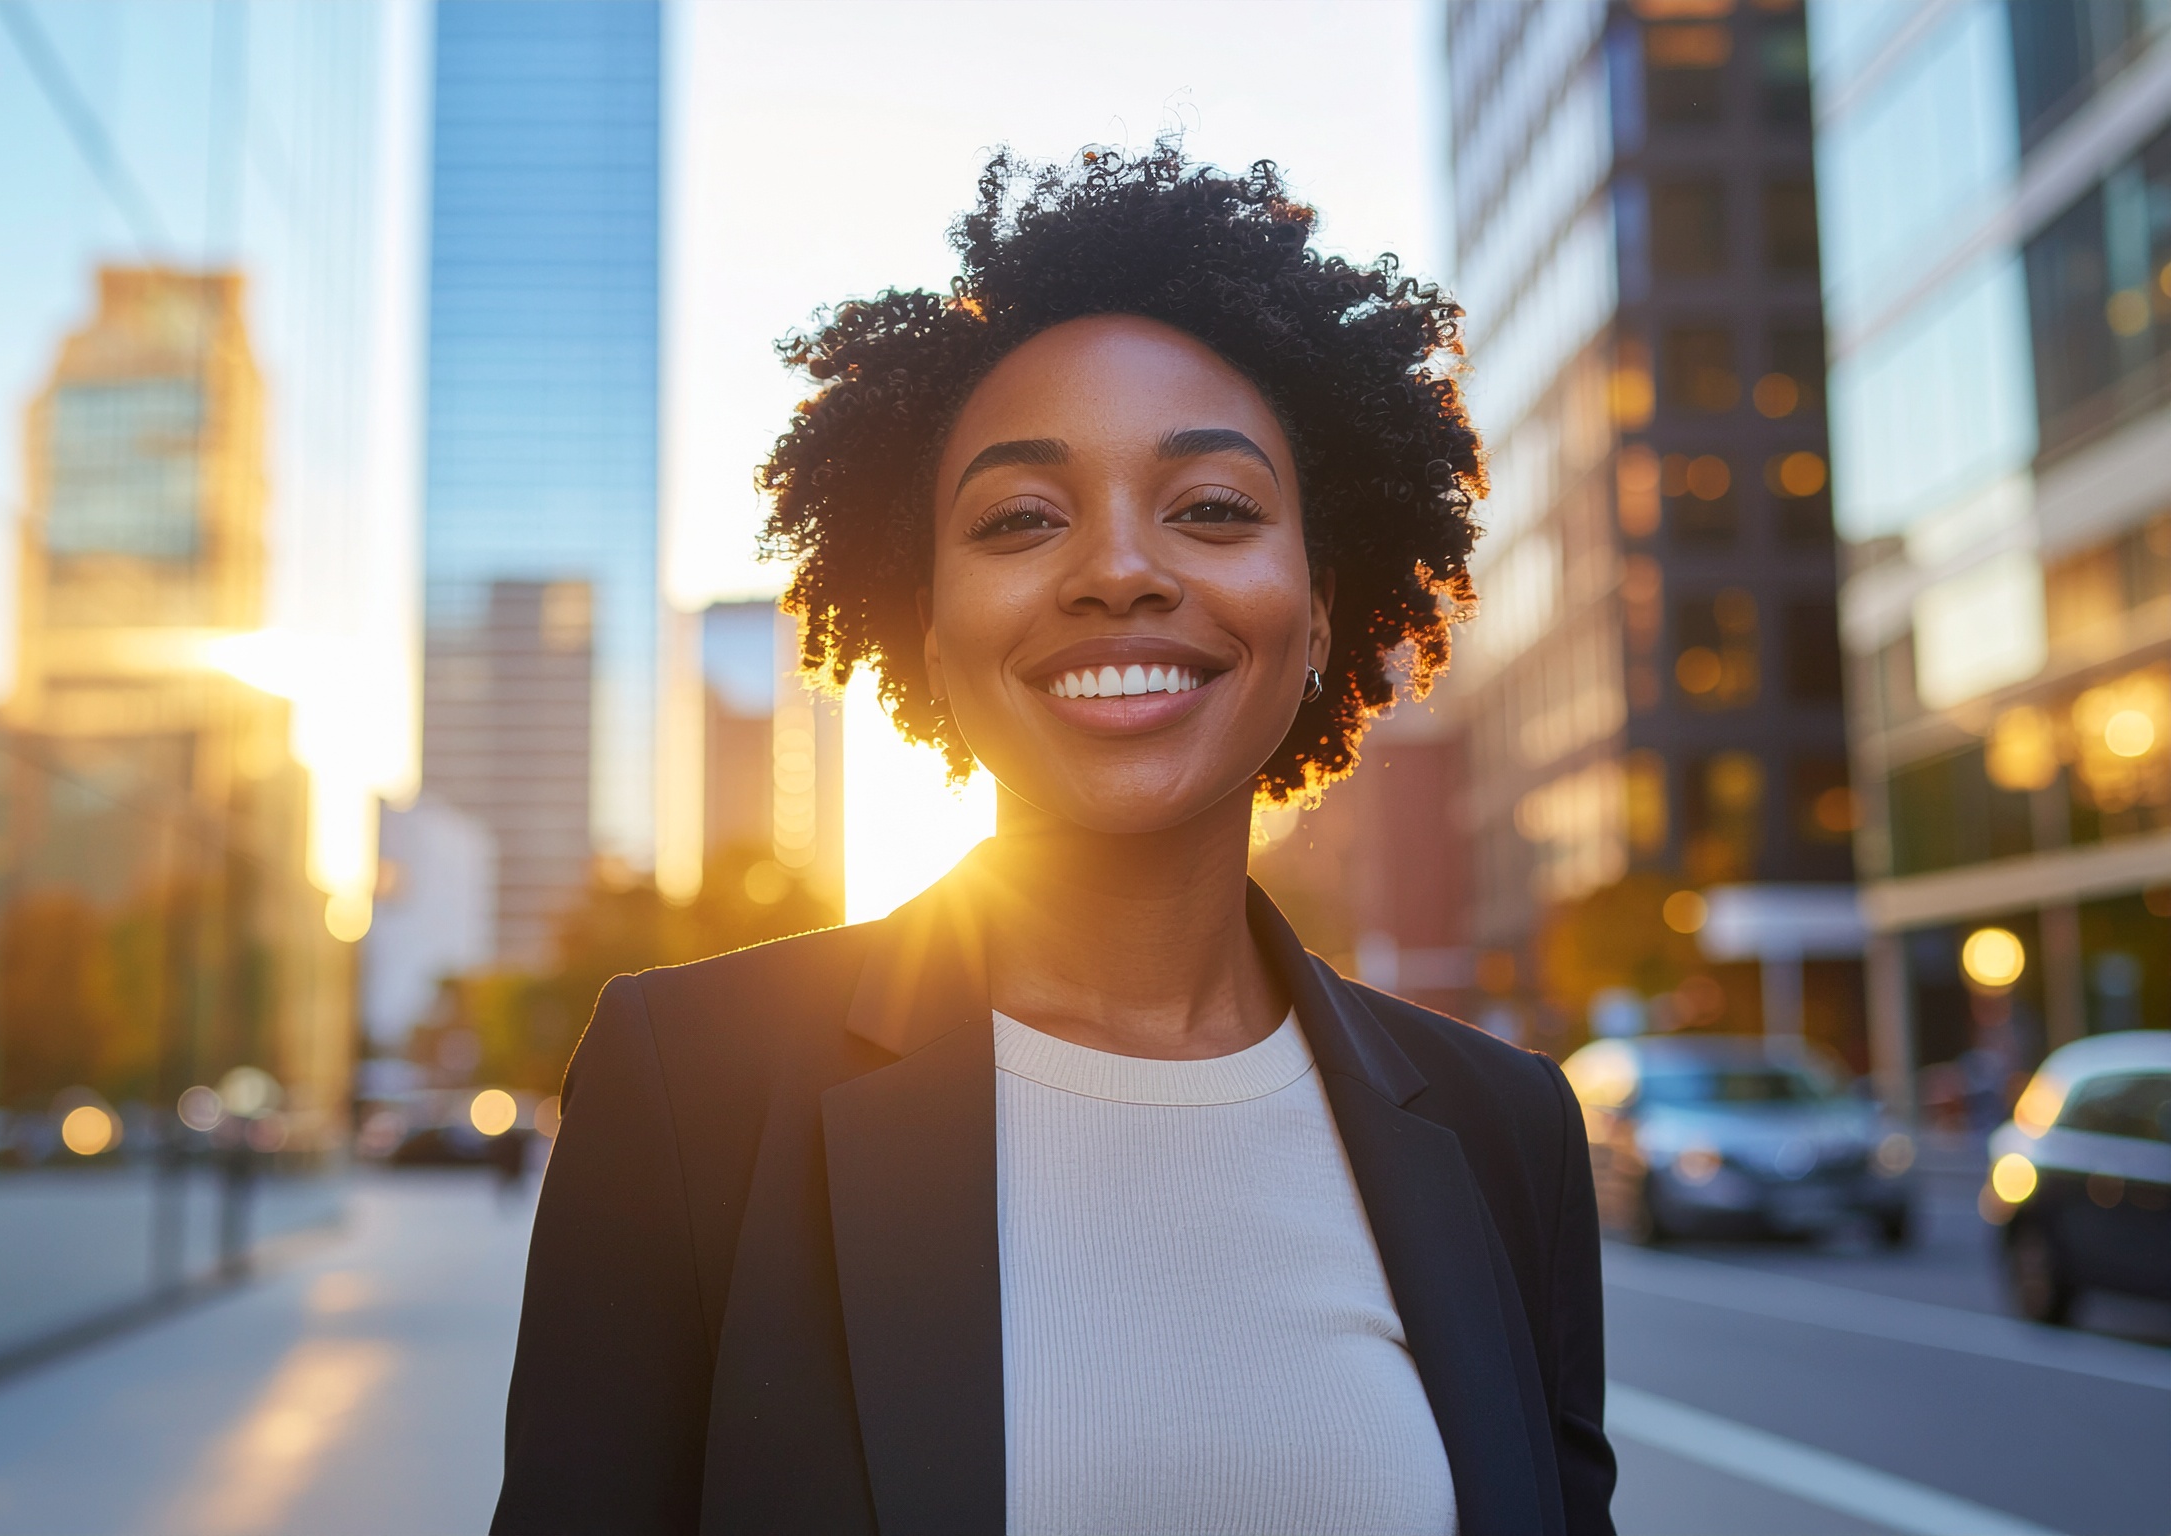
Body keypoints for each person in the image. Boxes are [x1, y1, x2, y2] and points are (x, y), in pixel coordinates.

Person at [492, 144, 1614, 1536]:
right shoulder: (694, 1087)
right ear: (927, 633)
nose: (1120, 569)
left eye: (1211, 507)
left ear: (1321, 613)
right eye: (1023, 518)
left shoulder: (1506, 1132)